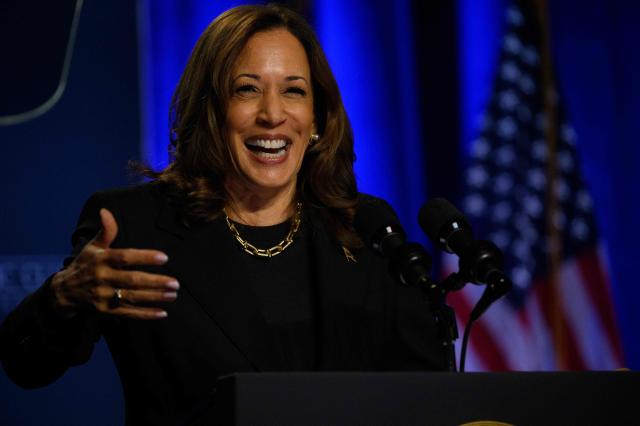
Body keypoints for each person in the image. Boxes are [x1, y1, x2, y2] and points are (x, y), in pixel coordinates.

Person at [0, 4, 444, 425]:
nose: (273, 115)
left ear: (315, 120)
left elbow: (427, 391)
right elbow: (27, 365)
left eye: (294, 90)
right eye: (246, 89)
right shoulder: (134, 225)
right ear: (210, 110)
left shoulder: (364, 228)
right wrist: (64, 296)